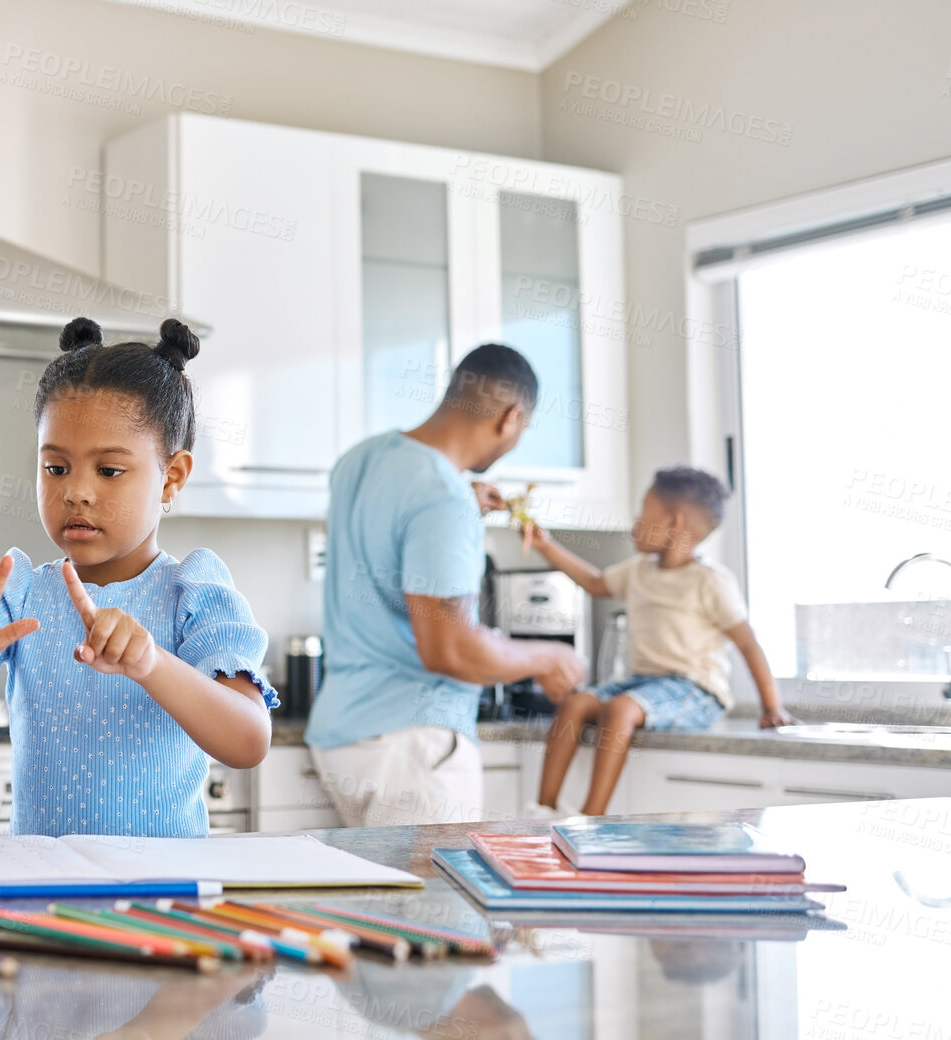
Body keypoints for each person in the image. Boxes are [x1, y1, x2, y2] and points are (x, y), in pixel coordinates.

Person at [0, 316, 276, 838]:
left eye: (109, 471)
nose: (76, 492)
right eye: (56, 468)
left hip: (163, 894)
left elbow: (249, 742)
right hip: (38, 889)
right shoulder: (17, 591)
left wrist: (150, 662)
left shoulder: (195, 594)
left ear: (172, 477)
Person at [307, 344, 586, 828]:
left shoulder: (359, 460)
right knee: (436, 904)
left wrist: (458, 505)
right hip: (414, 746)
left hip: (342, 736)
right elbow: (450, 650)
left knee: (377, 903)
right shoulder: (441, 495)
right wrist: (550, 657)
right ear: (511, 417)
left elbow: (385, 545)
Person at [524, 466, 794, 815]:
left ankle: (592, 819)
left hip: (696, 689)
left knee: (620, 708)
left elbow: (747, 644)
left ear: (674, 522)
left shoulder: (709, 581)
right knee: (575, 704)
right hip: (642, 683)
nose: (635, 522)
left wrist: (772, 707)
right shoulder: (638, 570)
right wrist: (545, 544)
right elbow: (594, 583)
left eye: (643, 511)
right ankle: (542, 812)